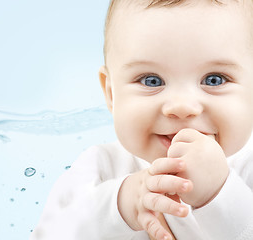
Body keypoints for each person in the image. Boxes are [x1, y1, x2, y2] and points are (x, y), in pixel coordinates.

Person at [30, 0, 253, 239]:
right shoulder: (101, 167)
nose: (181, 107)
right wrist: (120, 206)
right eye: (151, 81)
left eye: (214, 80)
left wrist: (219, 193)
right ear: (111, 94)